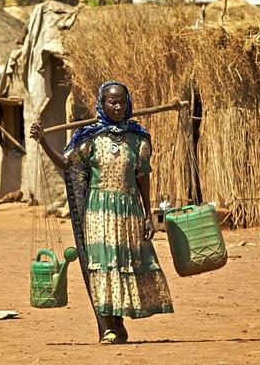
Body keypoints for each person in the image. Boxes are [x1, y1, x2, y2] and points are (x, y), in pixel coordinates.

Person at [30, 81, 173, 344]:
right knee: (103, 265)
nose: (117, 106)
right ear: (102, 104)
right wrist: (44, 142)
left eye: (121, 101)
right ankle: (110, 326)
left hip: (128, 211)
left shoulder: (138, 138)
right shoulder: (91, 138)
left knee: (123, 264)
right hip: (98, 212)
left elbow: (142, 177)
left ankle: (118, 324)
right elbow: (66, 164)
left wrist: (147, 214)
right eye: (112, 101)